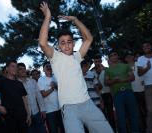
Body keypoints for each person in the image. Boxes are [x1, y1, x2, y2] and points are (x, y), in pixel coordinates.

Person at [39, 2, 113, 133]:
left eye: (69, 42)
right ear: (58, 46)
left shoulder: (77, 57)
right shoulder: (55, 57)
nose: (66, 45)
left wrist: (75, 20)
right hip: (68, 108)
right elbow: (43, 43)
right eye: (63, 43)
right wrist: (47, 17)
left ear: (73, 44)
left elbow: (89, 39)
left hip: (87, 104)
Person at [0, 60, 31, 133]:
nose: (15, 68)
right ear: (7, 68)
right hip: (9, 116)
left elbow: (24, 99)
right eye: (12, 66)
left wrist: (28, 114)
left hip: (22, 115)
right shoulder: (1, 81)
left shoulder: (19, 83)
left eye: (16, 67)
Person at [105, 50, 139, 133]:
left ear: (118, 56)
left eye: (115, 54)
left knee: (133, 114)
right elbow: (106, 83)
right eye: (112, 55)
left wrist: (122, 80)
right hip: (117, 94)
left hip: (128, 92)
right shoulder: (108, 70)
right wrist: (114, 80)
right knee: (121, 116)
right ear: (109, 58)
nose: (114, 56)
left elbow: (132, 77)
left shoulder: (125, 66)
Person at [17, 63, 47, 133]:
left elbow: (39, 96)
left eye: (24, 68)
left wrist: (42, 110)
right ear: (17, 71)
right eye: (20, 69)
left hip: (36, 113)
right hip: (25, 116)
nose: (23, 70)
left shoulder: (32, 81)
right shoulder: (15, 83)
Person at [137, 43, 152, 133]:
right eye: (144, 46)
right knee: (150, 111)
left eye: (148, 46)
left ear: (151, 47)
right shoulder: (140, 59)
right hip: (149, 87)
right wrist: (147, 68)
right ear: (142, 49)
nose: (146, 47)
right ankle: (151, 130)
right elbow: (139, 73)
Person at [38, 62, 64, 133]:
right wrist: (52, 88)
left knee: (62, 129)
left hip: (60, 109)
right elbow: (43, 94)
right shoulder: (41, 79)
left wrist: (56, 86)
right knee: (53, 130)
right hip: (49, 111)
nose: (49, 68)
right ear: (43, 69)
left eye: (50, 66)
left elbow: (62, 91)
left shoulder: (56, 77)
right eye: (47, 66)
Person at [93, 55, 116, 132]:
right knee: (101, 116)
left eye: (98, 61)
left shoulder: (107, 70)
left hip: (108, 94)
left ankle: (113, 130)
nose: (97, 63)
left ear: (101, 61)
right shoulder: (91, 73)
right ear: (93, 62)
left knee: (111, 115)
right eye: (95, 61)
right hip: (97, 97)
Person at [124, 51, 146, 132]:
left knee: (147, 110)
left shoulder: (139, 64)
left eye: (130, 56)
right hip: (132, 92)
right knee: (137, 112)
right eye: (127, 57)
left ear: (133, 57)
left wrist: (145, 81)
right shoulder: (124, 67)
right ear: (125, 59)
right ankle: (142, 129)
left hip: (143, 90)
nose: (129, 58)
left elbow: (145, 73)